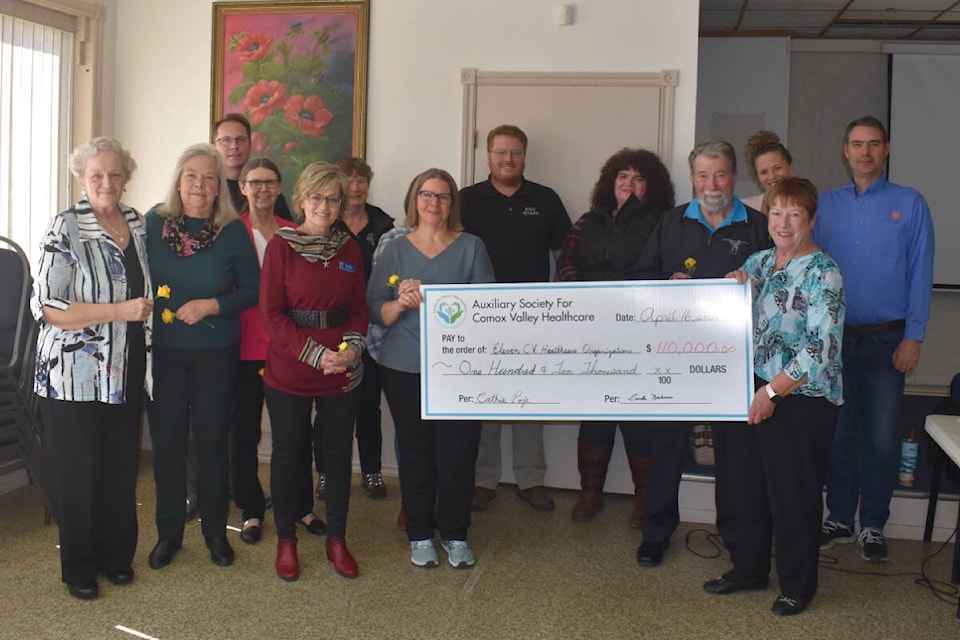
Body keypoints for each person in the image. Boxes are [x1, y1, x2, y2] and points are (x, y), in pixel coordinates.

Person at [704, 177, 844, 616]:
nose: (784, 223)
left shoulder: (826, 273)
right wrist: (734, 283)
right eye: (777, 213)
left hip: (800, 399)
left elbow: (820, 350)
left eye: (795, 214)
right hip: (754, 391)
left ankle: (798, 586)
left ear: (811, 219)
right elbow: (737, 317)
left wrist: (771, 391)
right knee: (745, 487)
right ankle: (747, 569)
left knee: (793, 494)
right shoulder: (760, 262)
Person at [633, 140, 772, 568]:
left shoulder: (759, 225)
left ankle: (734, 534)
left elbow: (781, 289)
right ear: (693, 179)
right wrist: (665, 283)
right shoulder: (671, 222)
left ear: (734, 176)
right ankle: (656, 532)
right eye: (702, 175)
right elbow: (641, 279)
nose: (712, 184)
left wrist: (754, 286)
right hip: (676, 359)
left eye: (721, 174)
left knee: (734, 454)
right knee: (666, 447)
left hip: (736, 362)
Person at [32, 137, 152, 600]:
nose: (107, 182)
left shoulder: (136, 223)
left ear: (127, 176)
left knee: (120, 468)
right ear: (82, 177)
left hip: (125, 366)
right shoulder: (65, 227)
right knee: (77, 472)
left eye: (115, 174)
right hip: (72, 374)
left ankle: (116, 557)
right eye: (97, 174)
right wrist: (118, 311)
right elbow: (48, 307)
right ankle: (79, 567)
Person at [815, 116, 935, 563]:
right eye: (856, 144)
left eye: (874, 144)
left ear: (885, 150)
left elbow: (921, 273)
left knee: (883, 438)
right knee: (840, 435)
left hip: (889, 342)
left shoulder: (911, 203)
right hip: (837, 342)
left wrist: (915, 336)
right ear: (844, 151)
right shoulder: (825, 205)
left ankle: (873, 525)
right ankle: (840, 518)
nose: (865, 152)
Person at [367, 168, 495, 569]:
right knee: (417, 451)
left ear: (451, 203)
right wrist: (401, 303)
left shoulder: (472, 246)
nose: (434, 203)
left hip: (460, 370)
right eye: (426, 194)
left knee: (458, 454)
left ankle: (456, 534)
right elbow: (376, 309)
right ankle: (420, 534)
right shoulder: (394, 248)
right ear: (415, 199)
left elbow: (488, 308)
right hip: (404, 367)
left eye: (442, 196)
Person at [144, 143, 260, 570]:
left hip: (215, 352)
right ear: (179, 180)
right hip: (165, 354)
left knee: (212, 442)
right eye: (192, 175)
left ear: (219, 187)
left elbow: (253, 289)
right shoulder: (152, 224)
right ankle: (168, 535)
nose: (200, 183)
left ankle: (215, 533)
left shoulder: (232, 230)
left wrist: (212, 305)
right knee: (169, 445)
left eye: (209, 178)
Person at [556, 148, 675, 527]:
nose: (629, 184)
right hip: (591, 334)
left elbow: (662, 273)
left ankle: (644, 498)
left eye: (638, 178)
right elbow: (566, 264)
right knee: (594, 419)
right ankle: (590, 493)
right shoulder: (587, 222)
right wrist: (587, 298)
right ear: (611, 182)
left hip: (640, 335)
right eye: (623, 176)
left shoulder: (663, 224)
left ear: (650, 186)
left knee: (639, 419)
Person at [261, 162, 367, 580]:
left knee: (338, 457)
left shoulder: (350, 248)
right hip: (291, 367)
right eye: (316, 197)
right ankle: (286, 539)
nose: (324, 206)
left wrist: (352, 350)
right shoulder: (281, 246)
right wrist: (313, 354)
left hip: (341, 368)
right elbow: (272, 316)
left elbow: (358, 309)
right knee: (287, 455)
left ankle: (337, 539)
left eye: (333, 198)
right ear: (303, 199)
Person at [460, 124, 571, 513]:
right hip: (479, 317)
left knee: (530, 401)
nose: (508, 159)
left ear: (525, 156)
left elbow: (565, 254)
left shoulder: (545, 199)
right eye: (501, 152)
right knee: (486, 401)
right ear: (487, 155)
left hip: (534, 316)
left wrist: (566, 302)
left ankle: (531, 478)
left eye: (516, 153)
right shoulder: (467, 200)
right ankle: (482, 480)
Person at [312, 157, 394, 502]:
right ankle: (327, 474)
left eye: (362, 180)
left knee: (368, 406)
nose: (356, 186)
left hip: (374, 329)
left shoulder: (384, 224)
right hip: (332, 328)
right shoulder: (326, 225)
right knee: (330, 409)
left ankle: (372, 472)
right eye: (349, 180)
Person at [232, 158, 297, 545]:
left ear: (279, 187)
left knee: (291, 434)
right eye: (254, 182)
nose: (262, 189)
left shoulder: (295, 233)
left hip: (287, 349)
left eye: (269, 182)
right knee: (243, 434)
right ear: (242, 187)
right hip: (243, 348)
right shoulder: (230, 233)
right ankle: (251, 508)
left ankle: (295, 506)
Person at [212, 113, 293, 221]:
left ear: (250, 145)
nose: (234, 146)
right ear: (214, 147)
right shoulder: (208, 188)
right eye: (226, 140)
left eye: (240, 139)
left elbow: (287, 232)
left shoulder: (267, 189)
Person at [741, 130, 793, 211]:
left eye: (777, 168)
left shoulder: (808, 205)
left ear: (789, 167)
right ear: (756, 175)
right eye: (764, 172)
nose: (772, 176)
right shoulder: (744, 209)